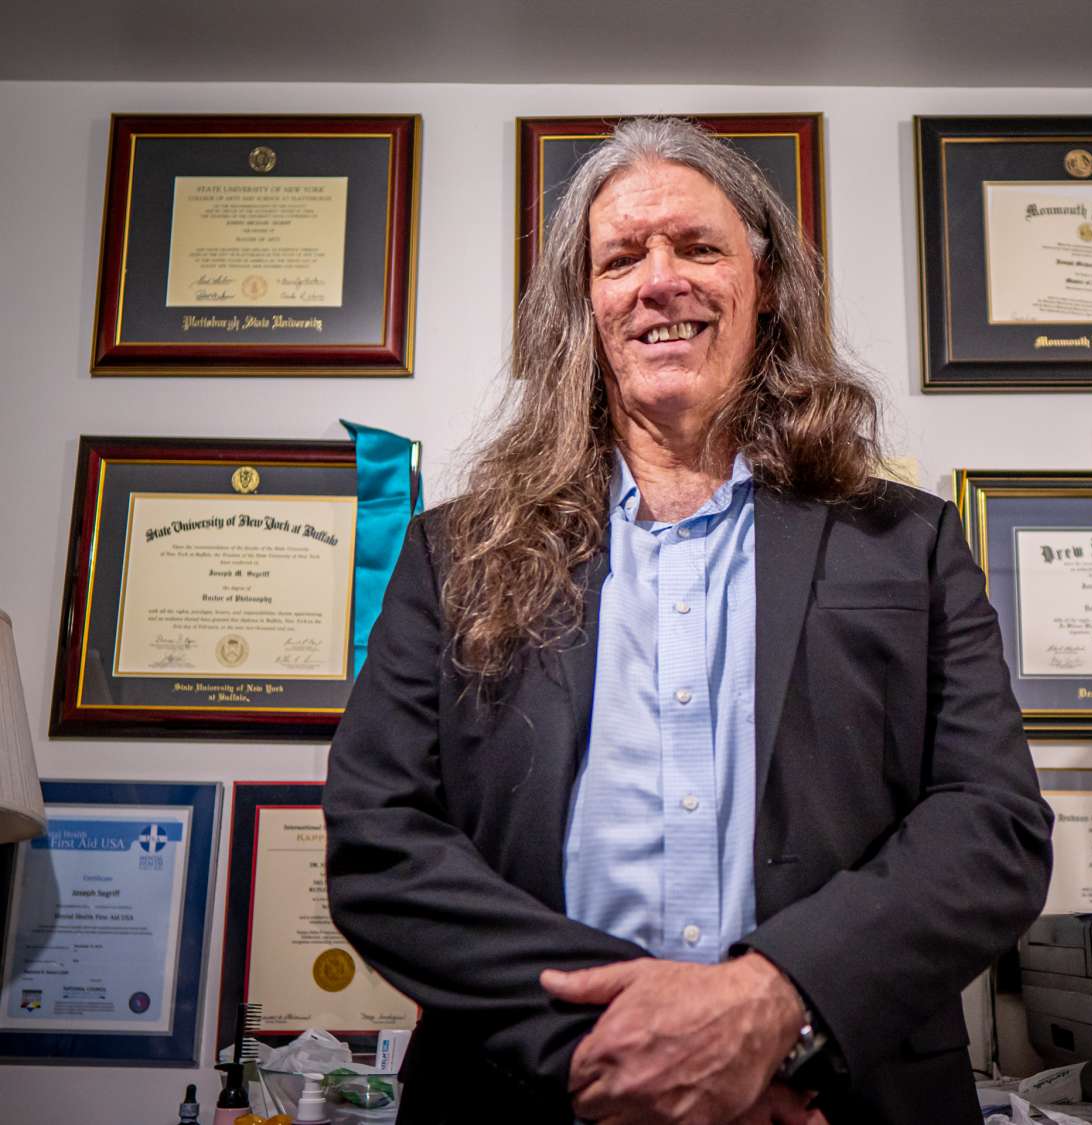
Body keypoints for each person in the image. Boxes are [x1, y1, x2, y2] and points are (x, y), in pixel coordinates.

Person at [323, 117, 1053, 1125]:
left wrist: (769, 1011)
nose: (660, 281)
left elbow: (992, 826)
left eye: (699, 248)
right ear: (585, 308)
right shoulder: (455, 552)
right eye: (622, 257)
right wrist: (637, 1049)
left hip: (832, 1099)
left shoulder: (908, 542)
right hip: (531, 1094)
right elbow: (381, 844)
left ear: (766, 289)